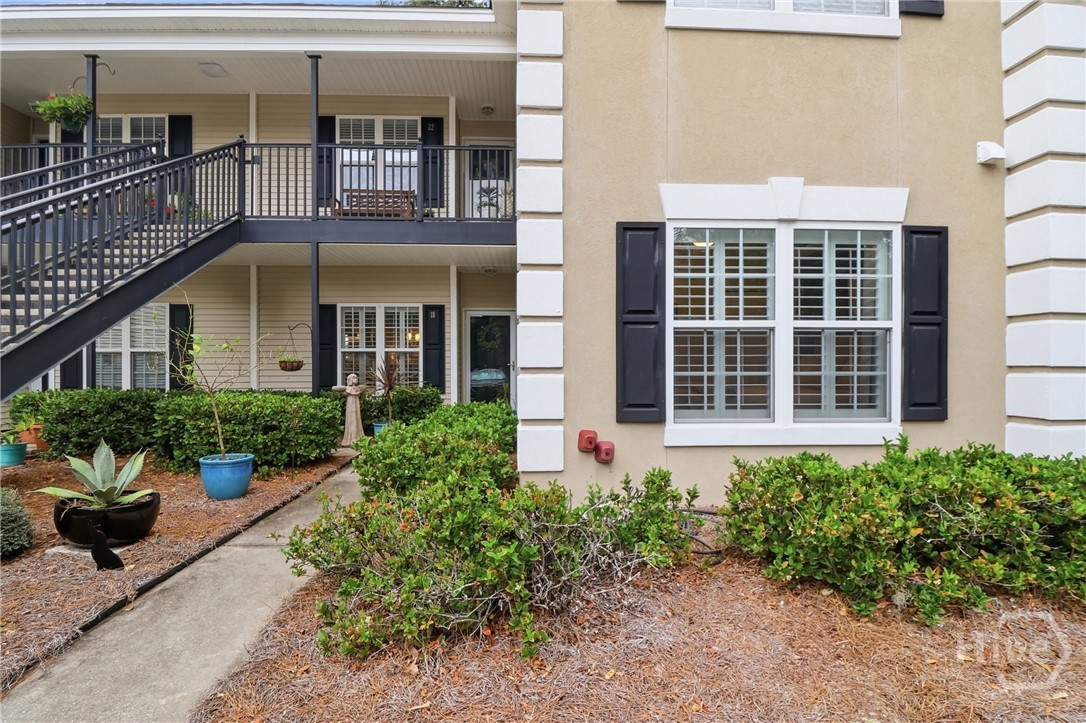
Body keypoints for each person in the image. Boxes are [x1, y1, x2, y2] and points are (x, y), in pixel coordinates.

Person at [331, 373, 364, 446]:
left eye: (357, 378)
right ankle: (351, 438)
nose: (356, 380)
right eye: (354, 378)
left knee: (357, 417)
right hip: (350, 403)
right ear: (351, 380)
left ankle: (358, 436)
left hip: (356, 402)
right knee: (351, 419)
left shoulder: (357, 388)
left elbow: (363, 388)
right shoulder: (347, 389)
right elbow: (335, 389)